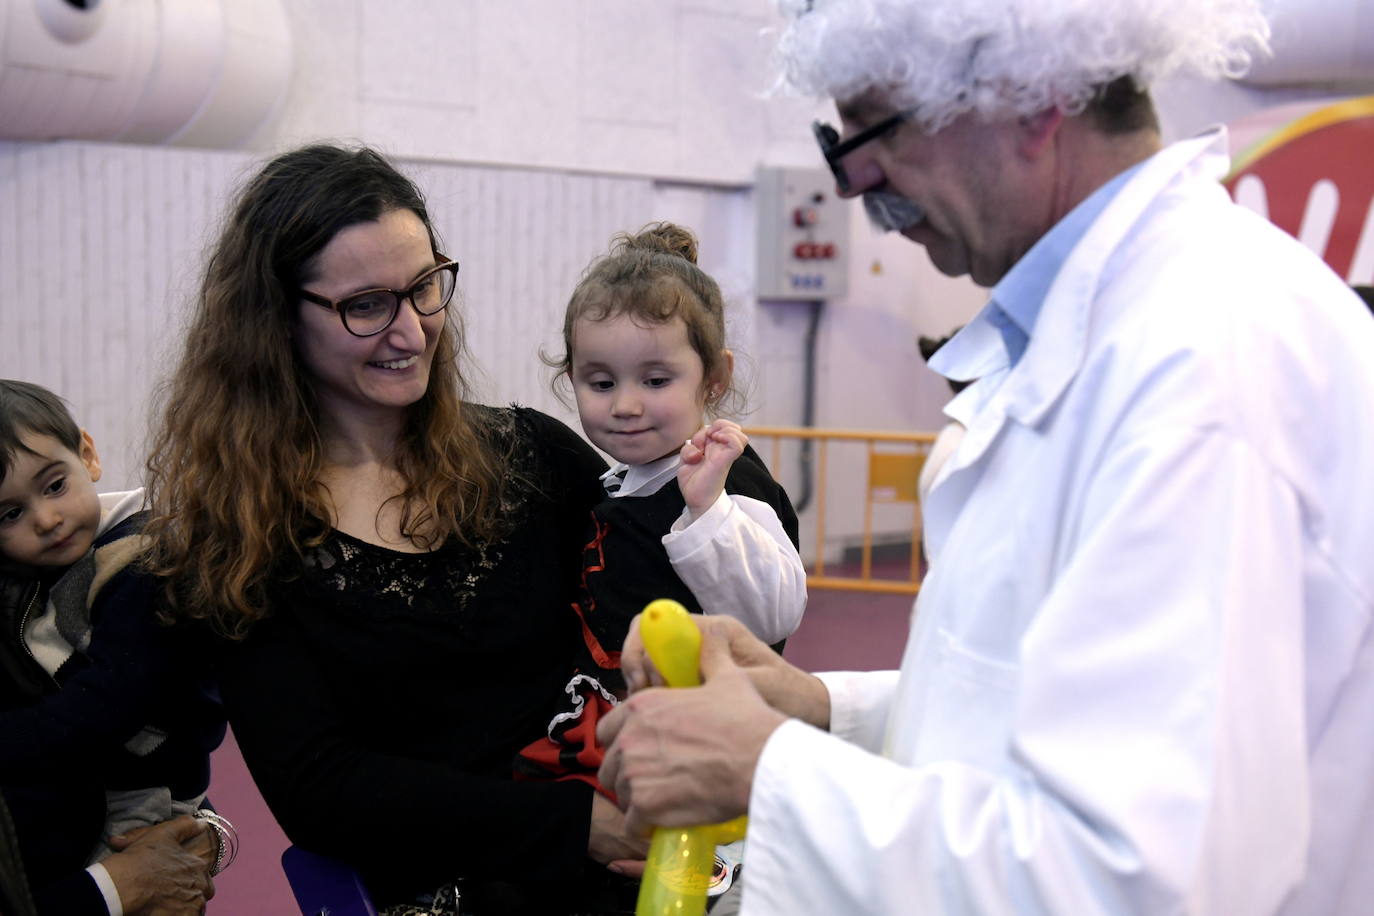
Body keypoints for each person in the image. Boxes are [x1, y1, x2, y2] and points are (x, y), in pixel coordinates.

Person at [597, 1, 1374, 914]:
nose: (855, 182)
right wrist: (818, 710)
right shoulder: (1114, 330)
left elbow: (1132, 880)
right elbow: (1049, 705)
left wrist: (769, 769)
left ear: (1033, 100)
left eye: (873, 128)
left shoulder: (1201, 369)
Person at [141, 143, 645, 915]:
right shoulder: (247, 536)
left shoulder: (531, 454)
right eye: (367, 305)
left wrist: (720, 486)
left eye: (423, 289)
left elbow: (659, 567)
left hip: (621, 838)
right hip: (455, 883)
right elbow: (323, 790)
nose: (411, 331)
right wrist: (576, 826)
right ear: (278, 317)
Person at [515, 225, 805, 883]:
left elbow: (774, 613)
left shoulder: (726, 480)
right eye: (599, 381)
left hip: (701, 756)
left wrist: (708, 511)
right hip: (615, 730)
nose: (625, 405)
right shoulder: (624, 480)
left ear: (715, 378)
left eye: (655, 378)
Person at [0, 380, 225, 915]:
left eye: (54, 486)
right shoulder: (39, 577)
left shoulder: (137, 564)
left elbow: (110, 705)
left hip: (145, 791)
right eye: (10, 515)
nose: (46, 519)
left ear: (88, 455)